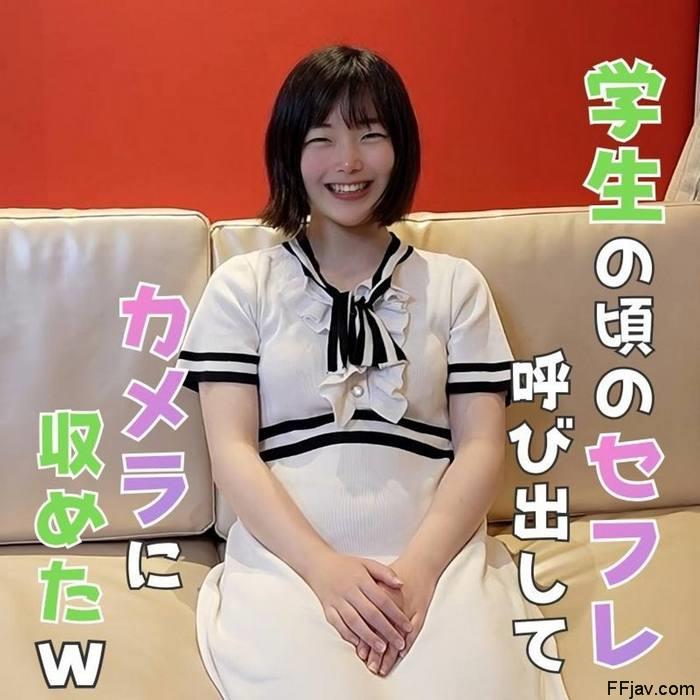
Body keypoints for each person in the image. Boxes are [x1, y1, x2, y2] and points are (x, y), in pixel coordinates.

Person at [175, 44, 570, 700]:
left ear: (401, 147)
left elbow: (479, 447)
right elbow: (232, 451)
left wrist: (417, 574)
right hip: (288, 565)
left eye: (370, 135)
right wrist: (324, 571)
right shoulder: (242, 286)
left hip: (437, 563)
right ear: (290, 153)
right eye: (322, 139)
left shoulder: (456, 286)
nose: (348, 161)